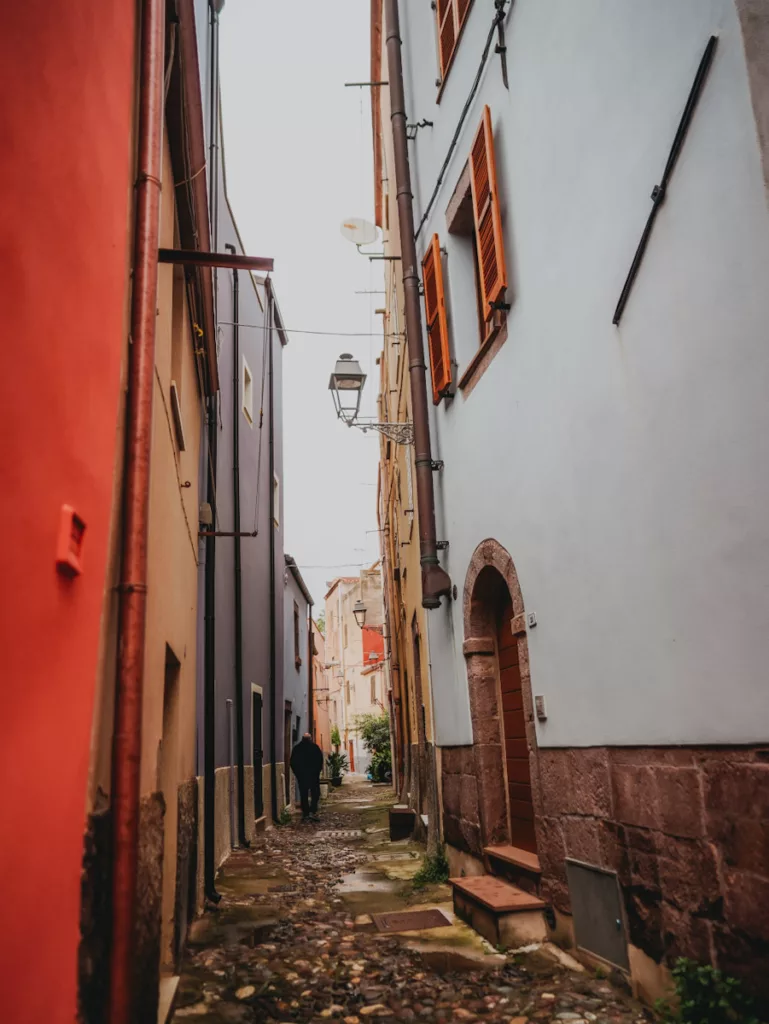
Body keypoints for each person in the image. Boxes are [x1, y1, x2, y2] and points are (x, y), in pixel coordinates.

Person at [290, 732, 324, 823]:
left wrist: (297, 773)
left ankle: (305, 814)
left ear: (302, 738)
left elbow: (292, 762)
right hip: (313, 775)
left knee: (303, 794)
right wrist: (317, 771)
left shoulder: (297, 748)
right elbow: (320, 761)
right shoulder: (315, 748)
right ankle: (313, 811)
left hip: (302, 776)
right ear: (310, 738)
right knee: (315, 793)